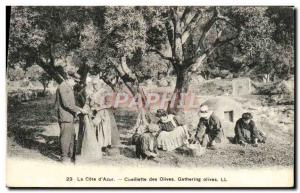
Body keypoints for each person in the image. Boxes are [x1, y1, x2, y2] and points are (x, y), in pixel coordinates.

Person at [55, 70, 87, 163]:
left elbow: (71, 103)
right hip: (65, 117)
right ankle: (64, 158)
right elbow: (67, 104)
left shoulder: (68, 87)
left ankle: (71, 156)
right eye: (75, 81)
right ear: (69, 78)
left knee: (72, 137)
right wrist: (80, 110)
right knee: (65, 137)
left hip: (70, 117)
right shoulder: (63, 87)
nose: (76, 83)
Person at [87, 79, 120, 154]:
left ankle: (103, 147)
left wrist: (99, 108)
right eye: (93, 84)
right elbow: (89, 103)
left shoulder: (104, 92)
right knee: (94, 128)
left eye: (96, 84)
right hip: (94, 113)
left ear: (100, 84)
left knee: (103, 129)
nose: (94, 86)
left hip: (103, 113)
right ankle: (96, 146)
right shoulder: (92, 93)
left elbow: (109, 104)